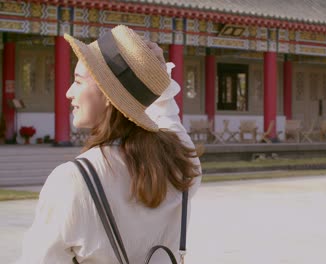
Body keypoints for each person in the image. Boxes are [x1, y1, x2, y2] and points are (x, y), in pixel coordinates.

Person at [14, 25, 202, 263]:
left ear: (107, 96)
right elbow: (169, 119)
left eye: (78, 82)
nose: (68, 93)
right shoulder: (182, 163)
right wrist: (153, 79)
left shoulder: (73, 179)